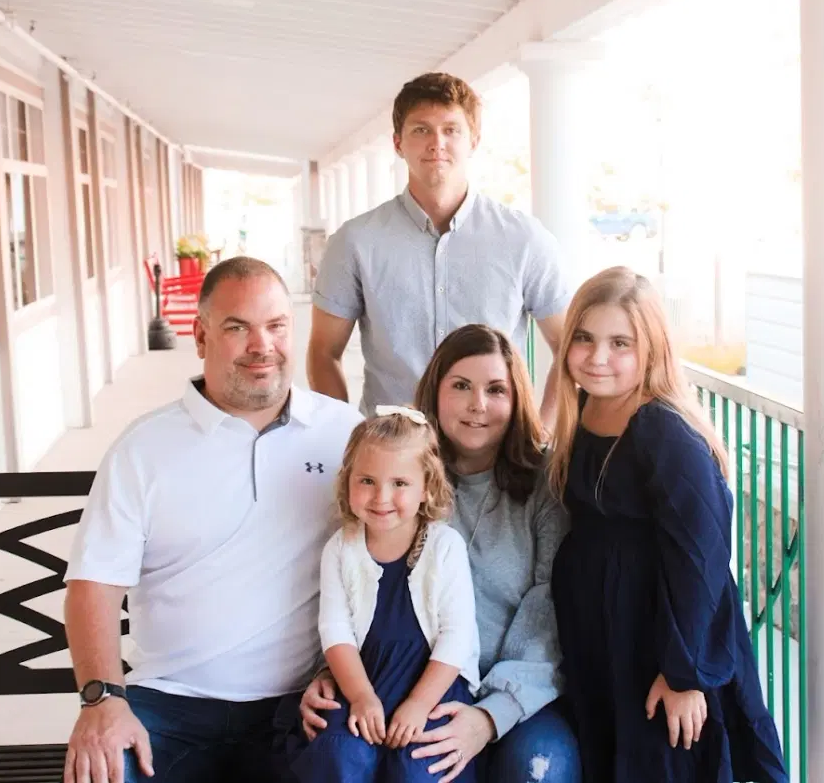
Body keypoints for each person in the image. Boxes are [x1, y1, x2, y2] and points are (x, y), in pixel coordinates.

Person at [62, 257, 363, 783]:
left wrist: (346, 674)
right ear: (200, 337)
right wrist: (103, 700)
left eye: (275, 326)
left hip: (301, 704)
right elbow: (94, 587)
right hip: (171, 703)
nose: (261, 346)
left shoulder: (342, 435)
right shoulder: (144, 449)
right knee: (100, 774)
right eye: (237, 328)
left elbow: (389, 559)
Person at [301, 324, 580, 783]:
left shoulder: (543, 484)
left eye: (496, 390)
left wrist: (489, 715)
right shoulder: (395, 473)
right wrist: (331, 672)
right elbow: (354, 584)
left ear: (516, 399)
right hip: (404, 680)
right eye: (461, 387)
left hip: (515, 691)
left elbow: (549, 609)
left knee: (538, 769)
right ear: (435, 391)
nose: (478, 405)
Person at [546, 267, 788, 782]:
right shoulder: (586, 408)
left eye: (620, 343)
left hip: (656, 644)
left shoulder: (661, 429)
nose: (598, 357)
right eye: (585, 338)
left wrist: (684, 675)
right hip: (604, 639)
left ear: (651, 349)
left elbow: (701, 558)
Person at [307, 72, 572, 430]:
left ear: (474, 140)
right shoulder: (355, 241)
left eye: (451, 130)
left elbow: (567, 345)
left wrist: (541, 435)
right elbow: (324, 353)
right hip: (394, 456)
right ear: (398, 143)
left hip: (498, 455)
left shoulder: (525, 239)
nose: (437, 143)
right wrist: (341, 437)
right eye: (421, 130)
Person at [291, 408, 481, 783]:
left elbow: (456, 636)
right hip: (362, 676)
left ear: (426, 486)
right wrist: (360, 696)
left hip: (431, 681)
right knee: (340, 755)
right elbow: (335, 629)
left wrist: (418, 704)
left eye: (399, 483)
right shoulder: (340, 549)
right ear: (347, 482)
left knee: (419, 769)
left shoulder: (445, 546)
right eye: (366, 480)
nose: (381, 497)